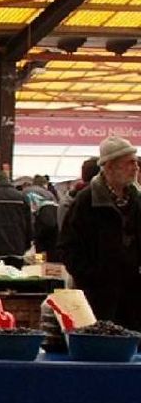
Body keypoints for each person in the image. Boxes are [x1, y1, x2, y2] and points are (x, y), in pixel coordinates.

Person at [59, 136, 141, 332]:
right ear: (110, 166)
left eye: (136, 162)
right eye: (129, 163)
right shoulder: (86, 201)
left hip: (133, 296)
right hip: (97, 297)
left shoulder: (136, 200)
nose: (135, 167)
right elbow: (68, 246)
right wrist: (91, 276)